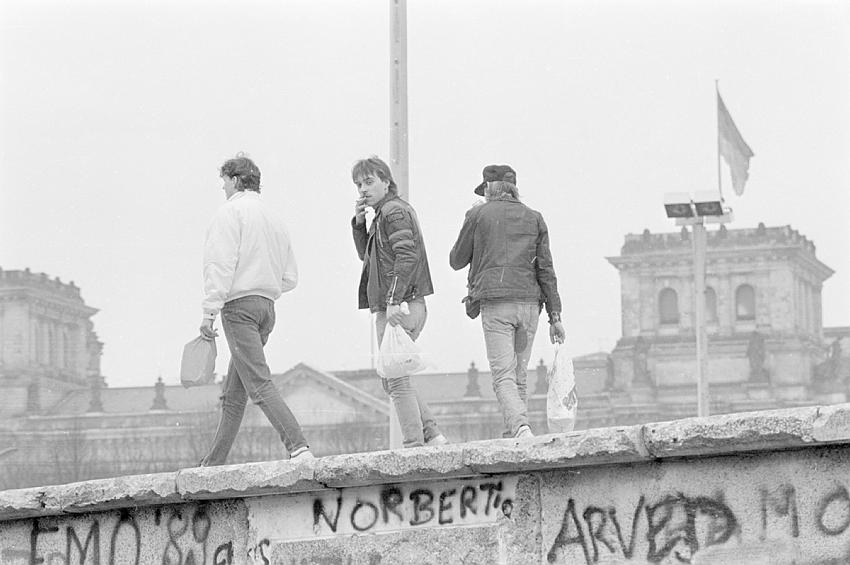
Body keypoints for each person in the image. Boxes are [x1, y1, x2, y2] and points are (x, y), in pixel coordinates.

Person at [198, 154, 313, 465]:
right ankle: (213, 463)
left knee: (259, 384)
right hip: (266, 307)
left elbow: (219, 265)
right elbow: (290, 277)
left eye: (224, 181)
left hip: (238, 308)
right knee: (234, 393)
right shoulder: (274, 219)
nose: (223, 188)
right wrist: (263, 285)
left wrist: (209, 312)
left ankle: (298, 447)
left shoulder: (229, 213)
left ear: (236, 180)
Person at [450, 166, 565, 439]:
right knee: (519, 376)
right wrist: (555, 316)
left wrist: (471, 220)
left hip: (497, 303)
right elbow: (546, 270)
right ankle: (515, 432)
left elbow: (456, 260)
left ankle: (520, 428)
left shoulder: (478, 215)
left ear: (490, 187)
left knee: (503, 376)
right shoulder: (534, 218)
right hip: (529, 305)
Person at [351, 156, 447, 448]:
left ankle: (415, 445)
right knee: (394, 376)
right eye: (358, 184)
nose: (363, 189)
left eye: (369, 181)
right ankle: (432, 435)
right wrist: (359, 224)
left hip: (401, 305)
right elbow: (368, 258)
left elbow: (407, 256)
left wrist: (393, 300)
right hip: (401, 303)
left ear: (386, 181)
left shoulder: (392, 212)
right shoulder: (383, 214)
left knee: (395, 379)